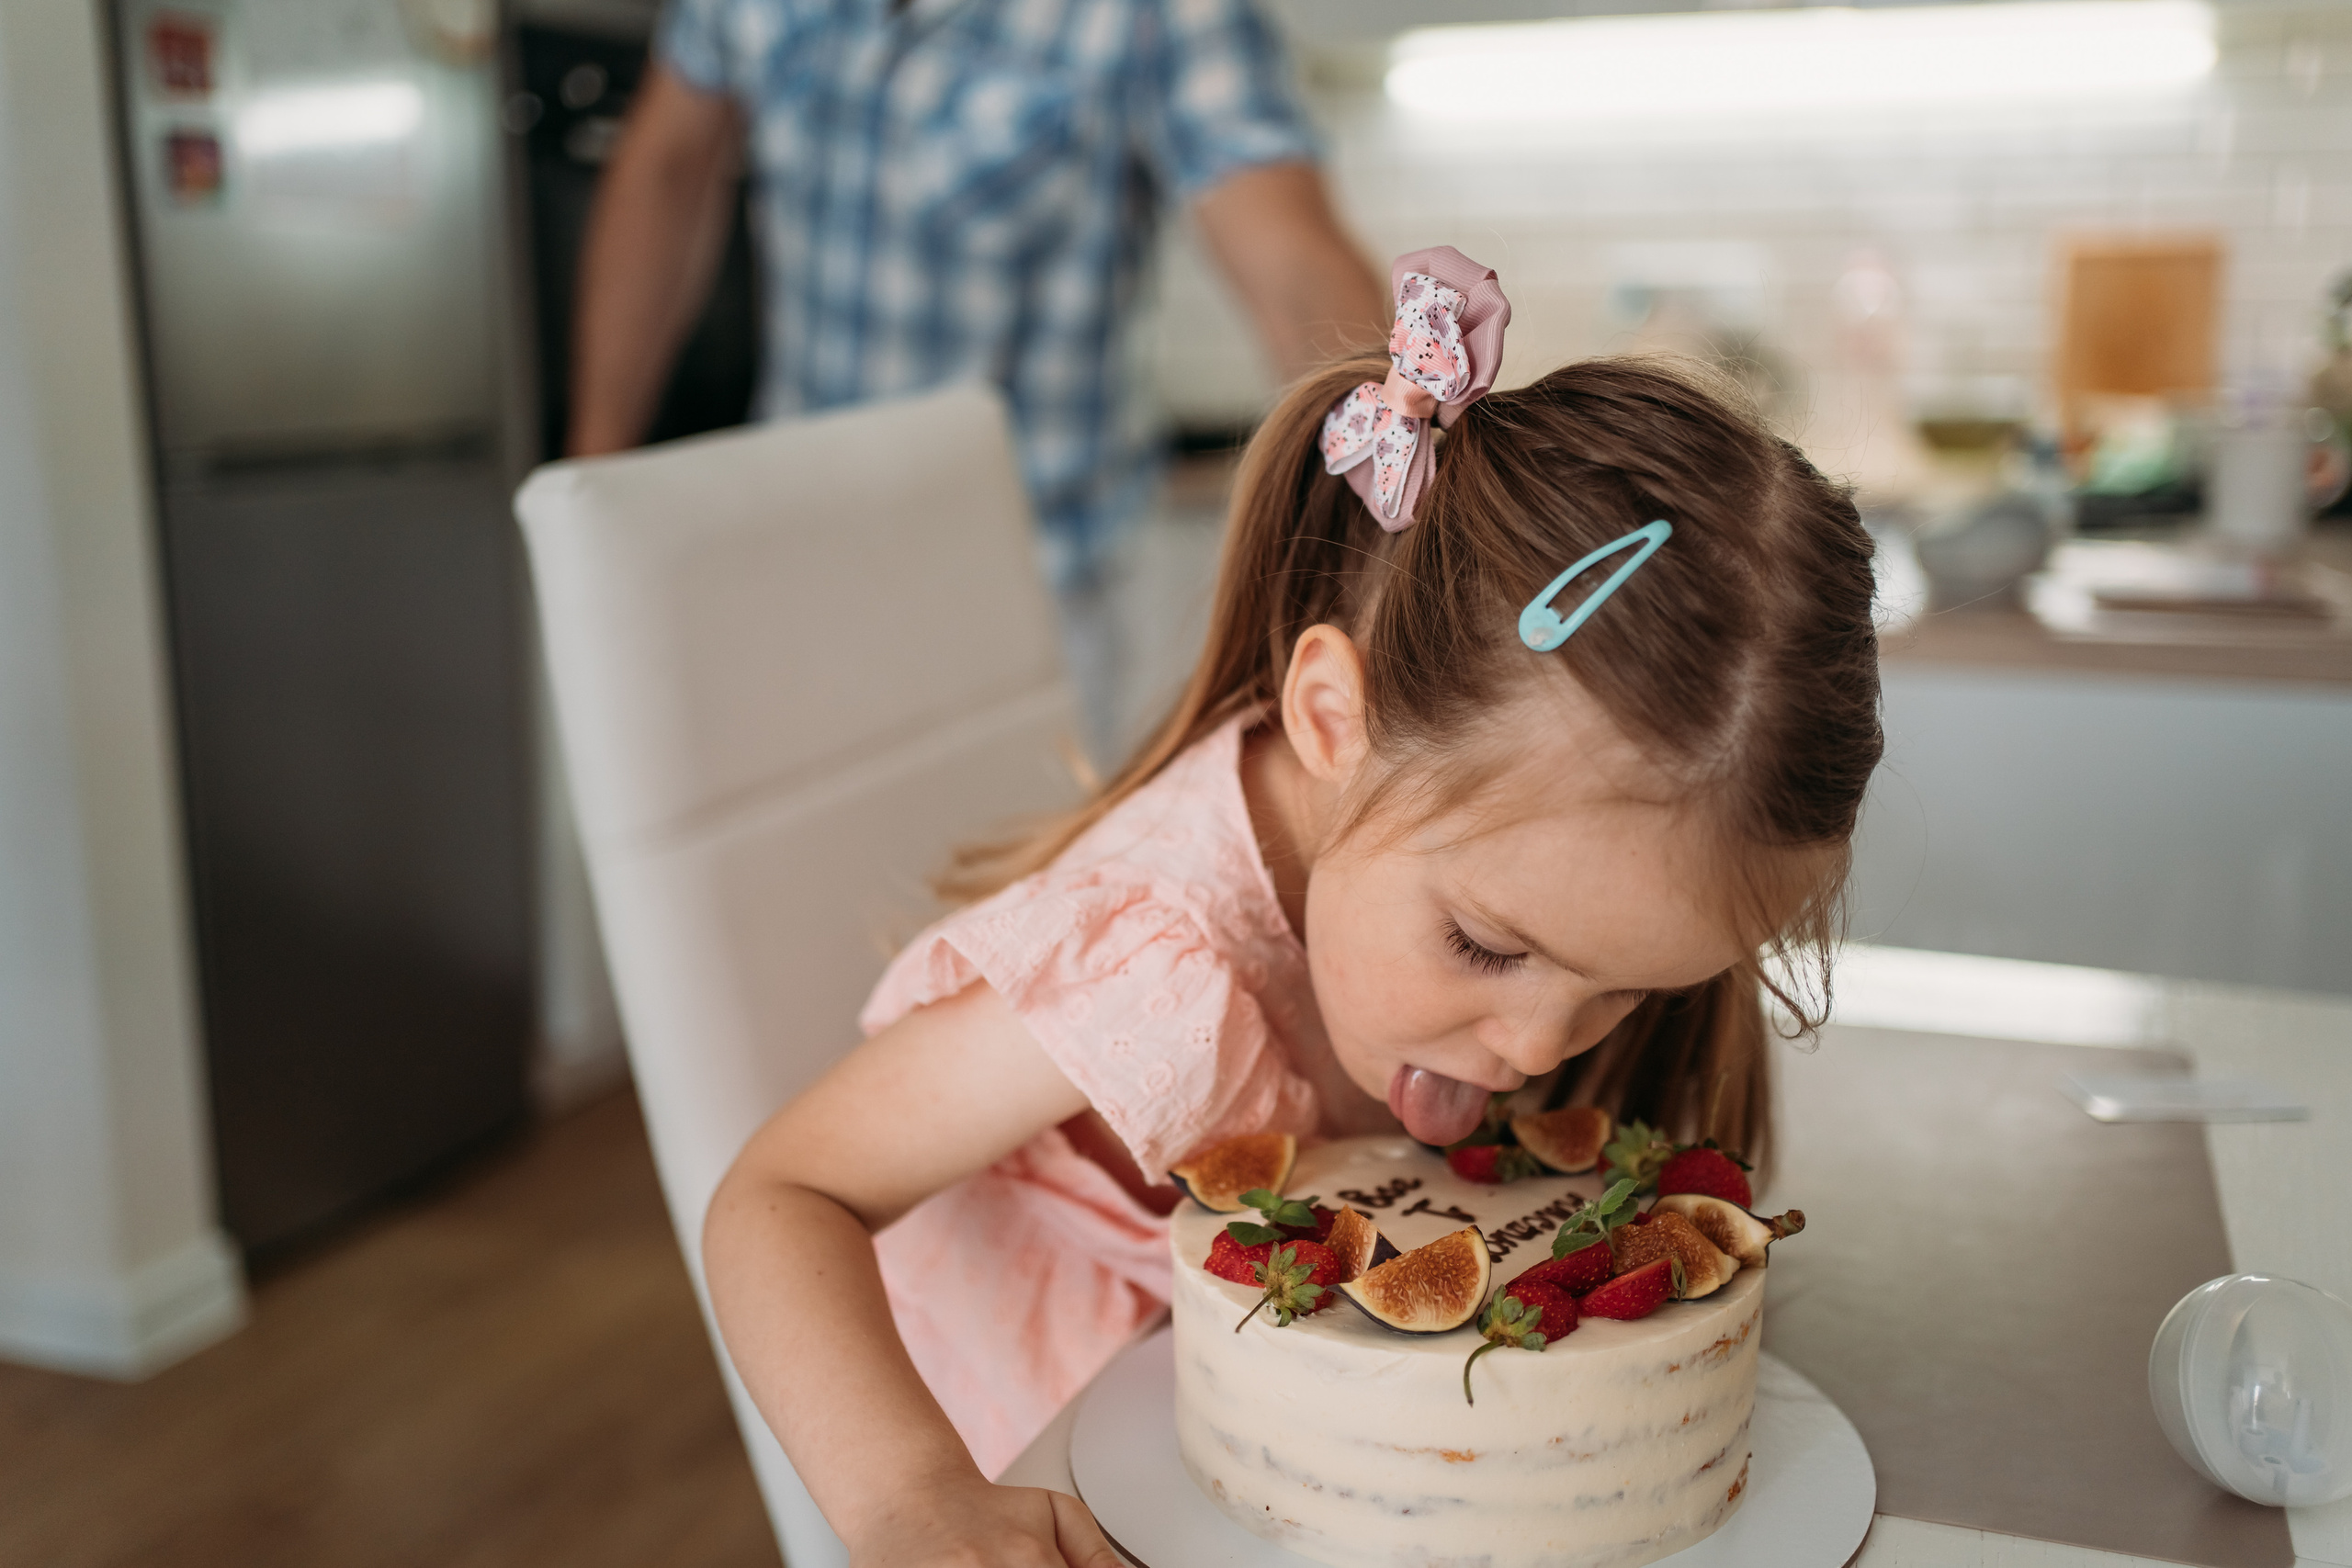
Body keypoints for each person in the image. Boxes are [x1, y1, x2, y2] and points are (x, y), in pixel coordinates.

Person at [703, 248, 1884, 1566]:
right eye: (1487, 945)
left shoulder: (1539, 863)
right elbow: (780, 1193)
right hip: (1068, 1493)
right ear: (1334, 717)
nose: (1545, 1048)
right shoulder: (1149, 966)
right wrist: (909, 1496)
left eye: (1632, 986)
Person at [568, 0, 1387, 752]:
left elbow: (1297, 275)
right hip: (788, 571)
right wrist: (588, 490)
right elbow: (664, 170)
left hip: (1028, 608)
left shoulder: (1157, 14)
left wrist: (1408, 534)